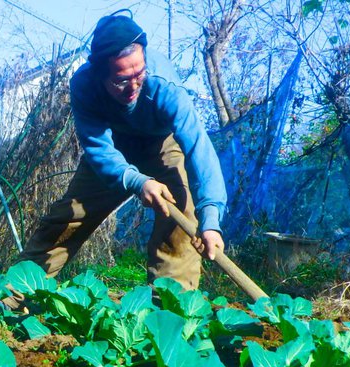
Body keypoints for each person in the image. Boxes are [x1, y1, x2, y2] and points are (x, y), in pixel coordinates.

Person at [12, 12, 227, 292]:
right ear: (101, 75)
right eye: (122, 80)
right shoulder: (84, 85)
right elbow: (98, 148)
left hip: (162, 144)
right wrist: (138, 181)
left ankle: (172, 314)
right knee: (69, 217)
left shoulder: (166, 87)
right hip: (113, 147)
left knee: (181, 216)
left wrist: (211, 220)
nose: (134, 86)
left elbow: (200, 150)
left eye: (139, 74)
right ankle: (14, 297)